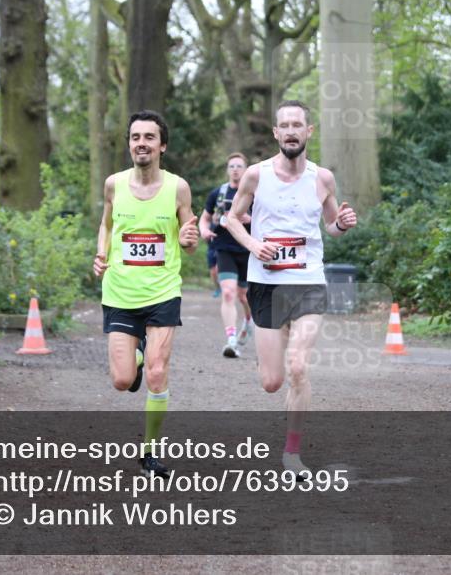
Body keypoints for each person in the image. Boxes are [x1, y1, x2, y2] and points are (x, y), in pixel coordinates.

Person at [224, 100, 358, 478]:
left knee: (298, 367)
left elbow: (331, 225)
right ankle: (267, 352)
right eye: (285, 125)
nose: (292, 131)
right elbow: (231, 219)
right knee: (272, 382)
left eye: (298, 124)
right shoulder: (255, 175)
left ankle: (292, 453)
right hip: (266, 283)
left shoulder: (322, 178)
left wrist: (343, 224)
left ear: (308, 131)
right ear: (276, 134)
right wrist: (253, 246)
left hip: (308, 282)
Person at [93, 110, 199, 478]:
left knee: (157, 372)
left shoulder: (177, 188)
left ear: (162, 145)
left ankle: (150, 452)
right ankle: (136, 355)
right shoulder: (113, 185)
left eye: (149, 137)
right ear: (129, 144)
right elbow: (106, 224)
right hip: (120, 292)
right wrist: (101, 252)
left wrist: (188, 239)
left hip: (163, 291)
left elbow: (189, 234)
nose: (142, 143)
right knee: (123, 381)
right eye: (136, 137)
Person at [200, 152, 255, 358]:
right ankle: (231, 340)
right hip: (224, 249)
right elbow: (204, 219)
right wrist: (204, 230)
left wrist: (251, 219)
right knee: (229, 293)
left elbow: (268, 222)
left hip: (248, 251)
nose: (235, 169)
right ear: (227, 170)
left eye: (239, 166)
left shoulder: (255, 194)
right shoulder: (218, 194)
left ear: (246, 169)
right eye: (232, 166)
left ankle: (249, 320)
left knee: (245, 296)